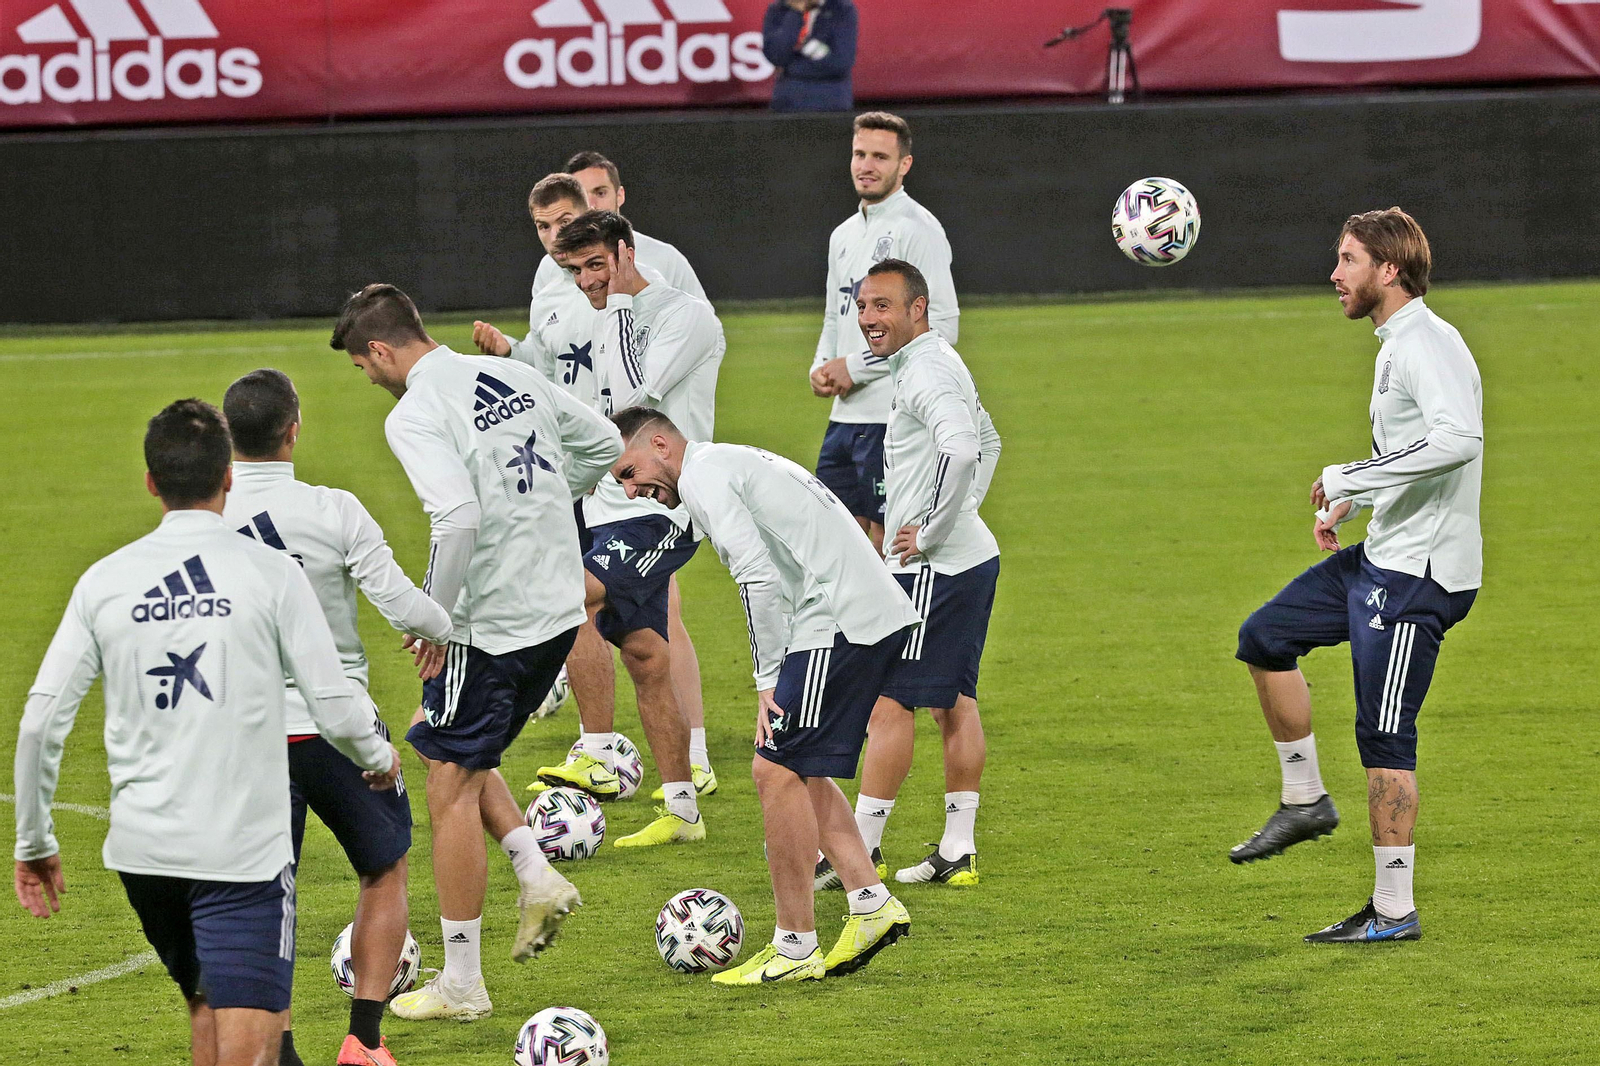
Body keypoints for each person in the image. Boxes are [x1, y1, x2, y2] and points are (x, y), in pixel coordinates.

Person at [13, 399, 401, 1066]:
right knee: (247, 1047)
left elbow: (41, 719)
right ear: (228, 478)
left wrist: (35, 839)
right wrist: (379, 755)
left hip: (143, 854)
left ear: (150, 481)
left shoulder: (105, 581)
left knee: (206, 1013)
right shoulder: (270, 574)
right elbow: (334, 702)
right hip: (240, 856)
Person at [330, 284, 624, 1019]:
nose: (368, 380)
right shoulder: (517, 376)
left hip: (492, 621)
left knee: (449, 784)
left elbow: (456, 516)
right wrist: (545, 509)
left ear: (378, 350)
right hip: (558, 608)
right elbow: (607, 446)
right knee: (450, 748)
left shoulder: (416, 412)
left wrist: (435, 620)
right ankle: (536, 872)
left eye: (364, 367)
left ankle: (463, 983)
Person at [1232, 208, 1482, 944]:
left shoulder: (1423, 344)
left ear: (1389, 269)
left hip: (1418, 578)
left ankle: (1393, 912)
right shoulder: (1398, 343)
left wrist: (1353, 471)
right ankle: (1305, 798)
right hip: (1382, 555)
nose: (1334, 274)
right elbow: (1416, 449)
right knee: (1264, 637)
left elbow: (1457, 441)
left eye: (1347, 260)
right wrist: (1356, 495)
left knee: (1384, 735)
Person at [606, 406, 919, 983]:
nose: (631, 491)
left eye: (628, 472)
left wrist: (766, 679)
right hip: (853, 611)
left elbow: (757, 574)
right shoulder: (721, 463)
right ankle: (870, 906)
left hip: (837, 618)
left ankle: (795, 946)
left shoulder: (703, 476)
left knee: (773, 771)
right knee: (796, 768)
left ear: (658, 444)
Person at [221, 369, 453, 1066]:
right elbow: (406, 608)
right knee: (384, 869)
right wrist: (439, 629)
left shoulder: (205, 518)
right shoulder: (334, 509)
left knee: (266, 894)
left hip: (247, 733)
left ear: (229, 440)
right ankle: (365, 1041)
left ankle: (281, 1049)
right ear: (295, 429)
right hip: (339, 729)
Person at [532, 212, 724, 846]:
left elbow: (633, 400)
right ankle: (681, 810)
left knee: (569, 593)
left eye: (595, 265)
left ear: (625, 251)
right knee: (645, 656)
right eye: (575, 271)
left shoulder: (685, 316)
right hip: (609, 498)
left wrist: (615, 302)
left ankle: (487, 718)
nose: (586, 281)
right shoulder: (598, 314)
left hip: (661, 504)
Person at [821, 259, 999, 891]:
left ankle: (858, 851)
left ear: (917, 309)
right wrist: (957, 518)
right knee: (954, 704)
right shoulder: (934, 362)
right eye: (863, 307)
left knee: (887, 701)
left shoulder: (924, 370)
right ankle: (957, 848)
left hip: (937, 568)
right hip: (964, 560)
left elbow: (964, 446)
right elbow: (990, 438)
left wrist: (931, 531)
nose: (869, 319)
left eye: (883, 307)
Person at [809, 111, 958, 553]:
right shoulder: (843, 235)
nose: (866, 165)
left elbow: (942, 326)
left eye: (880, 156)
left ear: (904, 165)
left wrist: (855, 367)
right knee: (839, 539)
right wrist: (821, 366)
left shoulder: (919, 231)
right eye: (859, 154)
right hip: (844, 419)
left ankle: (897, 624)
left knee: (884, 541)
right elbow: (835, 314)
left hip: (891, 415)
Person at [528, 152, 707, 304]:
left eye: (600, 193)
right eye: (581, 196)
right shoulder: (549, 268)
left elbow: (710, 333)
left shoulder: (665, 258)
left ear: (620, 195)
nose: (591, 205)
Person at [762, 0, 858, 112]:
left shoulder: (842, 9)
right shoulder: (778, 9)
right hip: (787, 104)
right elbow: (777, 56)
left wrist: (790, 68)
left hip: (832, 104)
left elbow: (841, 62)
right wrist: (795, 12)